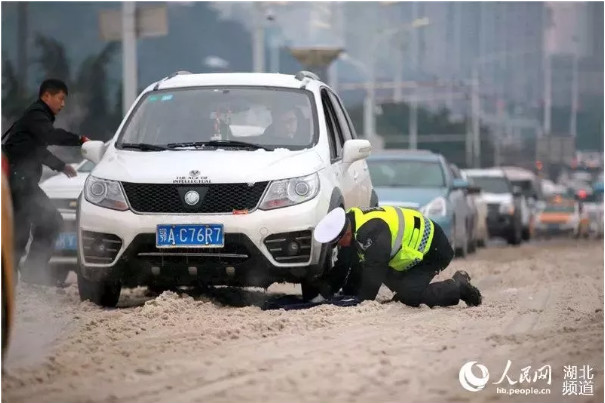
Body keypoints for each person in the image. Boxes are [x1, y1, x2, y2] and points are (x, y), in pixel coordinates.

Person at [2, 79, 89, 285]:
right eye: (60, 98)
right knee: (51, 222)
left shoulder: (35, 116)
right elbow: (51, 136)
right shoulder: (37, 115)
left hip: (18, 181)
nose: (63, 104)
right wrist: (80, 140)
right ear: (46, 96)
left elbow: (35, 149)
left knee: (20, 232)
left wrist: (61, 166)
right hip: (20, 182)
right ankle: (31, 276)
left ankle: (14, 281)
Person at [312, 206, 482, 308]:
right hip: (409, 256)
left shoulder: (371, 231)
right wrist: (325, 289)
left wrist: (361, 299)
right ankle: (408, 287)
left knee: (409, 297)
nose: (340, 246)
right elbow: (345, 264)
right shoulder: (352, 223)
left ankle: (458, 287)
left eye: (339, 242)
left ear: (346, 232)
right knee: (364, 263)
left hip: (433, 251)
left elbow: (374, 271)